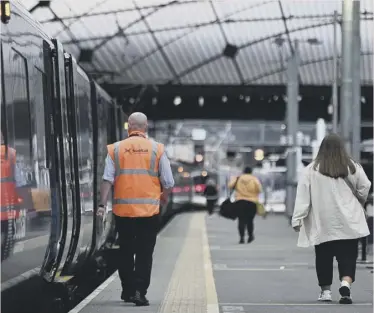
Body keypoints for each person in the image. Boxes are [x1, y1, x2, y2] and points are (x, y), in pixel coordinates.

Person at [97, 112, 174, 306]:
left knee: (125, 251)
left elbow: (107, 179)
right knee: (144, 253)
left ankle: (128, 290)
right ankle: (140, 292)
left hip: (124, 212)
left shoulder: (115, 149)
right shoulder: (157, 149)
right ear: (145, 127)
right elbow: (169, 181)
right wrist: (163, 196)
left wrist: (102, 205)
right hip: (149, 212)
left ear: (128, 127)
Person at [292, 133, 371, 304]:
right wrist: (359, 201)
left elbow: (303, 196)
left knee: (323, 256)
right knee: (348, 256)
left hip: (323, 221)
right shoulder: (353, 167)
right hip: (349, 219)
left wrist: (297, 218)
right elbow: (365, 186)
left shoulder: (311, 170)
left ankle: (325, 291)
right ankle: (345, 285)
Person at [228, 167, 262, 244]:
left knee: (241, 220)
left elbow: (230, 186)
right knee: (250, 220)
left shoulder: (238, 178)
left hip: (240, 201)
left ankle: (242, 238)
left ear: (243, 172)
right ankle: (250, 236)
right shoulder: (254, 179)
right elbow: (259, 189)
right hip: (252, 202)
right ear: (251, 172)